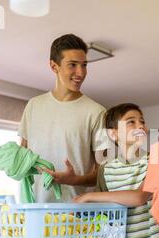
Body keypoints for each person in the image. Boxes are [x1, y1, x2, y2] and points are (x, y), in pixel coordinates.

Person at [73, 103, 159, 238]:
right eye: (131, 122)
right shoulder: (105, 170)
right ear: (113, 134)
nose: (140, 126)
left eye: (142, 121)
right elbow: (103, 215)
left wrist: (88, 196)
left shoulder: (158, 160)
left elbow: (140, 197)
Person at [18, 34, 108, 202]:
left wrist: (74, 180)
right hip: (36, 211)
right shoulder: (33, 106)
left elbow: (103, 175)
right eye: (72, 65)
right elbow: (22, 157)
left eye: (84, 65)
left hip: (78, 216)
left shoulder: (97, 112)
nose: (80, 72)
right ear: (54, 66)